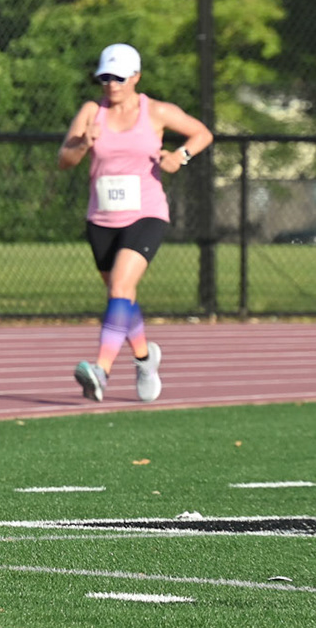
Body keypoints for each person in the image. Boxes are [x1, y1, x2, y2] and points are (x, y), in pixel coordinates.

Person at [57, 43, 212, 404]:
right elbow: (64, 160)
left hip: (146, 213)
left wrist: (180, 156)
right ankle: (144, 359)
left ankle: (101, 370)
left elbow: (202, 133)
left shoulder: (156, 111)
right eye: (105, 78)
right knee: (122, 296)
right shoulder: (91, 112)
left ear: (136, 77)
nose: (111, 84)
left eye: (119, 78)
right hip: (102, 217)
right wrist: (82, 144)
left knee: (120, 286)